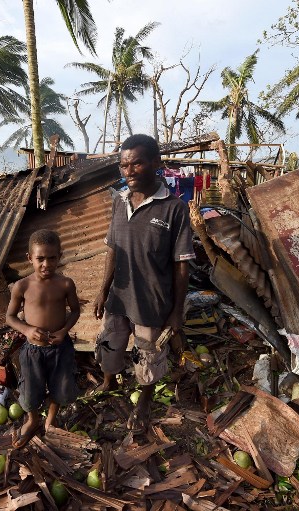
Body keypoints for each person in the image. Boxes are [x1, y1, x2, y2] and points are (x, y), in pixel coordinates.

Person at [93, 134, 194, 433]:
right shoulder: (118, 201)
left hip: (152, 301)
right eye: (124, 165)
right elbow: (113, 248)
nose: (129, 171)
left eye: (137, 163)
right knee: (109, 344)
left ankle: (144, 402)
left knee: (147, 357)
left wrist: (176, 311)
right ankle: (108, 381)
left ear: (156, 163)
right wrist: (102, 290)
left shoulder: (173, 209)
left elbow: (181, 265)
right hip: (119, 297)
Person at [5, 229, 81, 448]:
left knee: (63, 388)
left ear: (60, 256)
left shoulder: (66, 284)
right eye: (40, 259)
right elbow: (10, 317)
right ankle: (33, 419)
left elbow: (74, 311)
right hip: (32, 351)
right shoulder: (22, 286)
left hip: (60, 348)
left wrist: (64, 330)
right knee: (29, 393)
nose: (46, 264)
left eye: (51, 258)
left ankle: (51, 418)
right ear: (30, 258)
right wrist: (27, 330)